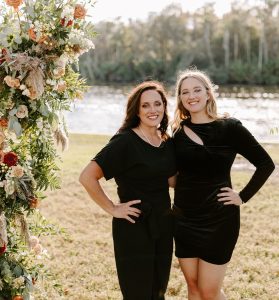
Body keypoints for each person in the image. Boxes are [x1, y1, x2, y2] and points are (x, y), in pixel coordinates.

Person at [172, 69, 275, 300]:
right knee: (194, 287)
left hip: (219, 220)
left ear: (208, 94)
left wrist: (242, 196)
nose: (191, 96)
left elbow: (266, 164)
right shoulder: (177, 133)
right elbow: (175, 176)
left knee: (209, 292)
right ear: (180, 98)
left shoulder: (230, 128)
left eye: (197, 90)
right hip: (184, 218)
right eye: (185, 92)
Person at [79, 81, 176, 300]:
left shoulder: (165, 141)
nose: (153, 110)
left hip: (163, 223)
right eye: (146, 105)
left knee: (158, 290)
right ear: (137, 110)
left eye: (157, 104)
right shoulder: (125, 141)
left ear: (164, 107)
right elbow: (87, 177)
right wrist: (112, 208)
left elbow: (172, 181)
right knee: (137, 293)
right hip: (134, 226)